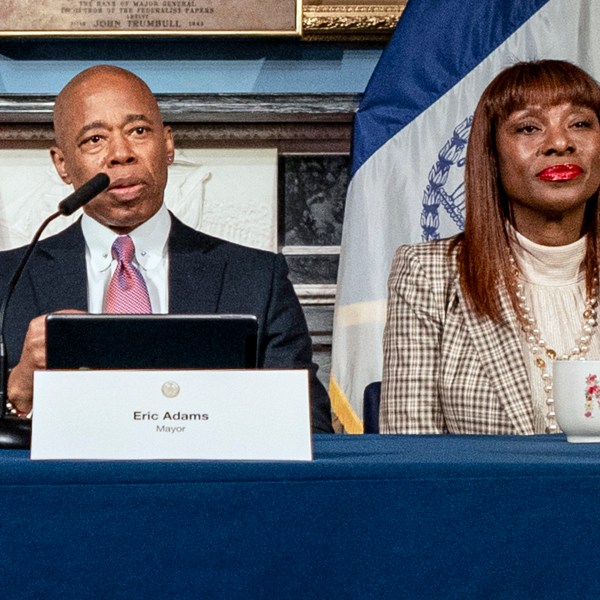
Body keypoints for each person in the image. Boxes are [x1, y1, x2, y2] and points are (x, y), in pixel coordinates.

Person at [0, 65, 333, 433]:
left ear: (168, 144)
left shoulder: (256, 279)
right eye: (94, 139)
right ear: (62, 164)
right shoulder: (7, 281)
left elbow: (308, 427)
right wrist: (16, 393)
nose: (121, 154)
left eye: (138, 131)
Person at [380, 59, 600, 435]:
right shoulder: (429, 273)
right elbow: (411, 453)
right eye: (529, 127)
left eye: (580, 124)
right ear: (493, 157)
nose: (560, 143)